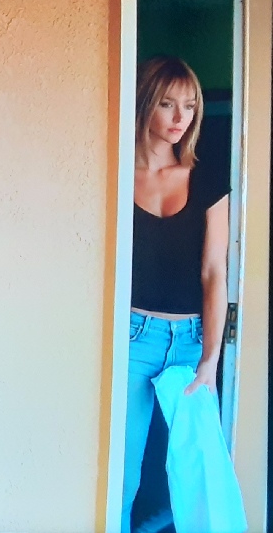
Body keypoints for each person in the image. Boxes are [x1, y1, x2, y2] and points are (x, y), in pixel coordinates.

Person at [122, 55, 230, 532]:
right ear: (145, 103)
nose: (180, 117)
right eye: (167, 104)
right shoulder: (116, 172)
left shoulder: (206, 178)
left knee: (198, 473)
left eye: (189, 106)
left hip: (190, 341)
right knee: (122, 476)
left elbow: (214, 272)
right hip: (131, 337)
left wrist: (211, 358)